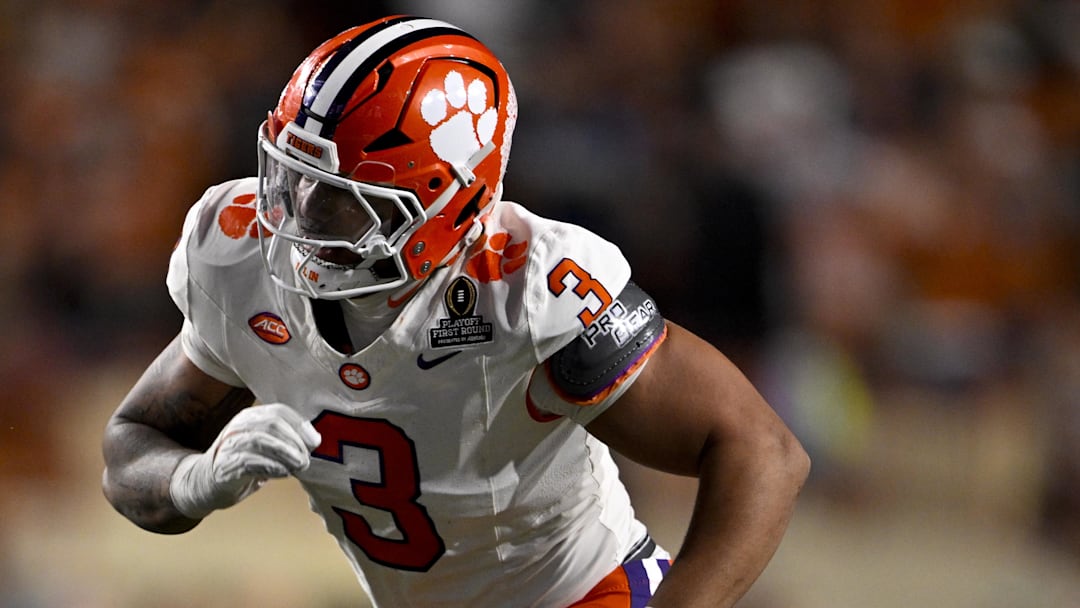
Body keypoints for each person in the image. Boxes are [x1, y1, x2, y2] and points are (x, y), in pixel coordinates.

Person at [101, 15, 809, 608]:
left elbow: (763, 452)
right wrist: (197, 480)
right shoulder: (235, 253)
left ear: (451, 204)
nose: (297, 218)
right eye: (291, 175)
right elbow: (131, 446)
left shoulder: (531, 286)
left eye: (342, 197)